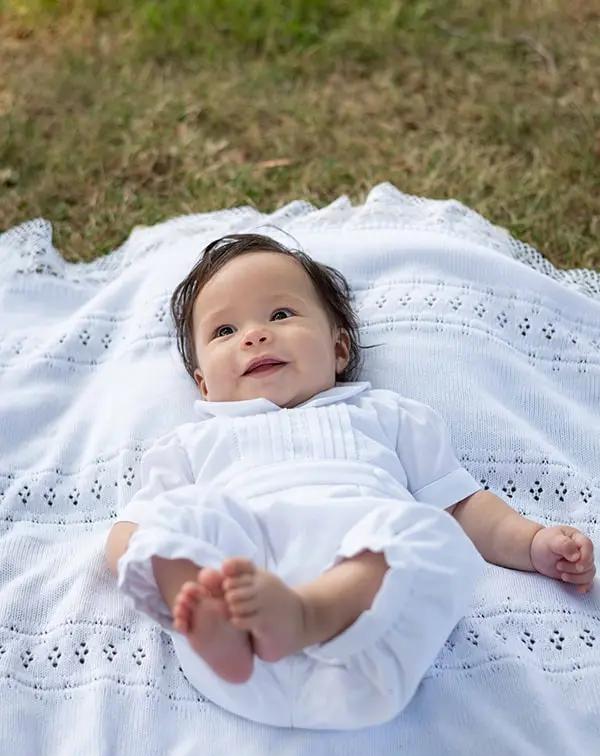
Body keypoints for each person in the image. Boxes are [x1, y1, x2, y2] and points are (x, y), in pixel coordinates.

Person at [104, 232, 595, 729]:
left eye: (280, 315)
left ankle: (307, 614)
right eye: (225, 330)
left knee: (423, 533)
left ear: (339, 348)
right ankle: (216, 620)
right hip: (239, 612)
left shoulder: (387, 415)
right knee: (177, 519)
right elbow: (136, 529)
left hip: (368, 625)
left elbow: (461, 506)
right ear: (204, 383)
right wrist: (151, 551)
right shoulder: (189, 445)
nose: (255, 335)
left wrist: (532, 542)